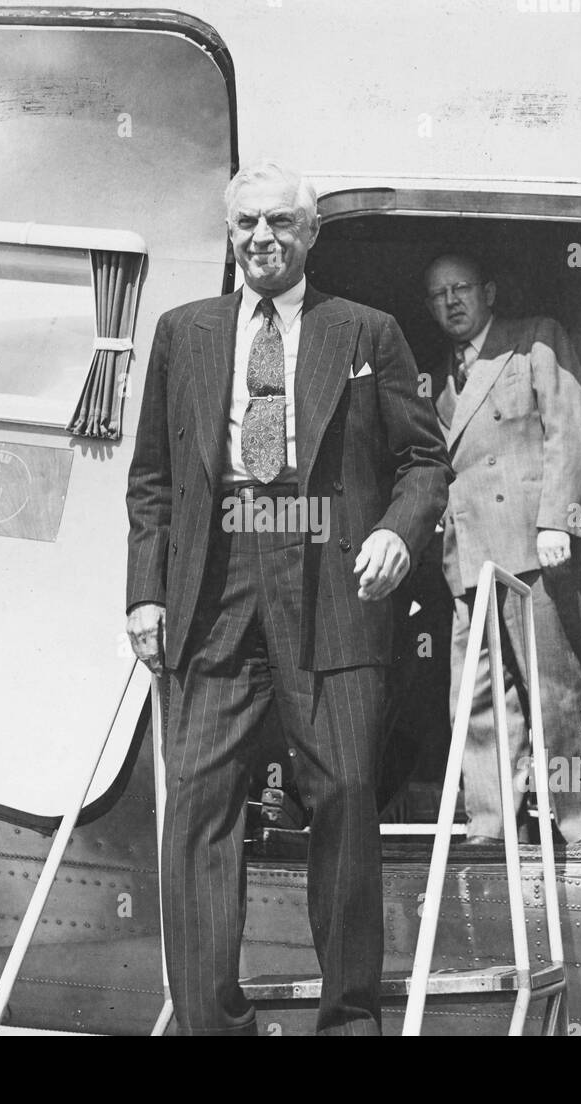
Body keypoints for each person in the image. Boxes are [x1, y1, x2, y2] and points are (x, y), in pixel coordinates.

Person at [126, 162, 451, 1035]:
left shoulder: (368, 333)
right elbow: (152, 477)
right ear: (229, 235)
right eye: (245, 225)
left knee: (345, 792)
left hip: (330, 578)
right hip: (212, 582)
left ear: (311, 234)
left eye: (279, 223)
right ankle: (209, 1024)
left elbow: (425, 460)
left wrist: (396, 532)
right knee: (196, 800)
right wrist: (145, 595)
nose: (261, 238)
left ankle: (349, 1019)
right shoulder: (181, 332)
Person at [424, 253, 581, 844]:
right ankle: (491, 828)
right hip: (469, 560)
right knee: (473, 704)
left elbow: (567, 427)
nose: (450, 302)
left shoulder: (535, 340)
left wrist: (557, 521)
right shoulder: (437, 377)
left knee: (554, 695)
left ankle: (578, 827)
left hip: (531, 551)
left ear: (489, 290)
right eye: (438, 294)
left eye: (461, 288)